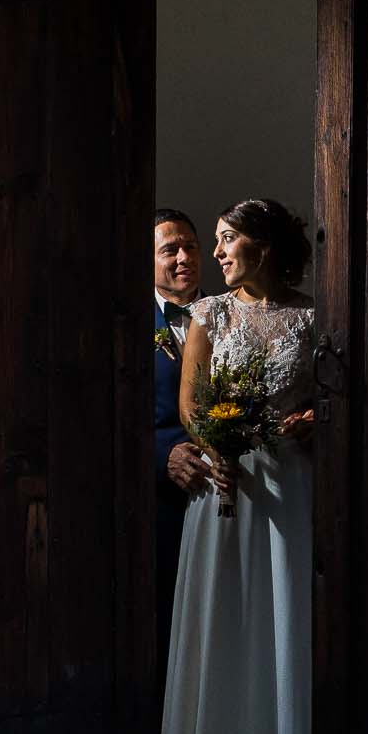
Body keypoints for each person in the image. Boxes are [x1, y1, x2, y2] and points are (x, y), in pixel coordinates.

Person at [156, 197, 317, 734]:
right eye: (214, 240)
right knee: (226, 616)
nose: (215, 253)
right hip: (226, 482)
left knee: (285, 614)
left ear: (264, 248)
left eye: (227, 240)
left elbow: (334, 395)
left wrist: (313, 423)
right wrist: (219, 441)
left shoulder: (311, 317)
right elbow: (191, 403)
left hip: (290, 482)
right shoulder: (209, 315)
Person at [153, 209, 217, 675]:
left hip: (225, 492)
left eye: (190, 246)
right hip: (159, 506)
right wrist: (164, 456)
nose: (183, 258)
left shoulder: (230, 317)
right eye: (168, 249)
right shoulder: (120, 326)